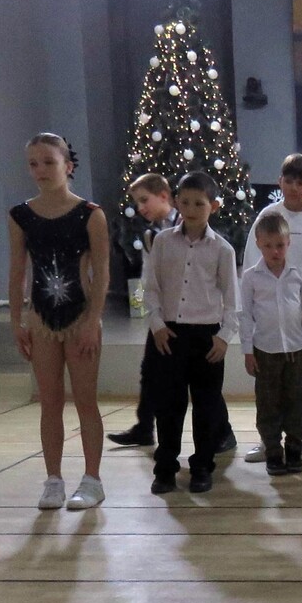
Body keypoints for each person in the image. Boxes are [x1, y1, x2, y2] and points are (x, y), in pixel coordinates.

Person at [8, 133, 109, 510]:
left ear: (68, 166)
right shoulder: (20, 216)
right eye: (33, 164)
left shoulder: (90, 214)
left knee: (85, 401)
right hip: (41, 320)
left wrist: (93, 320)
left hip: (81, 318)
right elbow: (18, 271)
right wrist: (17, 321)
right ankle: (53, 480)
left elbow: (102, 273)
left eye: (48, 162)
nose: (41, 170)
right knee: (49, 401)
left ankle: (92, 479)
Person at [143, 171, 238, 495]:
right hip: (169, 336)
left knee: (206, 406)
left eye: (199, 203)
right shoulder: (162, 242)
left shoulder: (222, 249)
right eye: (185, 202)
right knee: (168, 407)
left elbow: (232, 301)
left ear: (213, 206)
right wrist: (157, 325)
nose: (192, 209)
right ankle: (165, 469)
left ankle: (202, 467)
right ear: (176, 202)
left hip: (206, 338)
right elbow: (151, 289)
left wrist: (224, 336)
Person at [242, 153, 302, 464]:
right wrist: (256, 315)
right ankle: (268, 441)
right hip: (269, 327)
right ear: (279, 182)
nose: (295, 188)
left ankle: (300, 440)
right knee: (268, 389)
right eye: (290, 181)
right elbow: (251, 266)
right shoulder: (267, 216)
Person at [240, 213, 302, 476]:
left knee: (297, 401)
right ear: (258, 244)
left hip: (296, 351)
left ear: (288, 243)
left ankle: (294, 449)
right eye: (268, 245)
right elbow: (245, 316)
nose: (275, 251)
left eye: (280, 245)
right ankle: (273, 452)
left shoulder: (299, 276)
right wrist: (248, 351)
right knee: (268, 403)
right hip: (265, 352)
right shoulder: (251, 278)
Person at [108, 172, 178, 449]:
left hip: (186, 314)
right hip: (162, 315)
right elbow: (149, 278)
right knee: (149, 370)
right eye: (137, 202)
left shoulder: (186, 225)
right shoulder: (151, 235)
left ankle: (221, 431)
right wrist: (154, 316)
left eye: (144, 200)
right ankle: (144, 427)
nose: (140, 208)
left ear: (164, 195)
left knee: (195, 379)